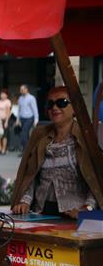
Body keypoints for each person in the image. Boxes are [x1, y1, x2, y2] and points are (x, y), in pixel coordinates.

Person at [11, 87, 102, 218]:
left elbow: (96, 179)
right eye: (50, 104)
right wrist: (25, 201)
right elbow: (31, 174)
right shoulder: (39, 134)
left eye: (62, 102)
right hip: (42, 214)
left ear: (74, 108)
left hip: (77, 216)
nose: (55, 108)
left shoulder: (86, 136)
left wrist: (87, 208)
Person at [17, 84, 39, 156]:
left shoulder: (31, 98)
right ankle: (25, 151)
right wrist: (18, 119)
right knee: (24, 135)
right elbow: (19, 110)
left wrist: (36, 120)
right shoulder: (20, 98)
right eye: (20, 90)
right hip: (22, 118)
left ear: (26, 89)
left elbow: (35, 109)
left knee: (24, 133)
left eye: (22, 89)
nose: (21, 91)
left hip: (29, 118)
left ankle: (26, 152)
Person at [0, 88, 12, 154]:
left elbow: (8, 112)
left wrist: (6, 121)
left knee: (4, 135)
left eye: (3, 94)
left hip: (4, 120)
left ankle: (3, 149)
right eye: (1, 94)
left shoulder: (8, 101)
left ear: (6, 95)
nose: (2, 95)